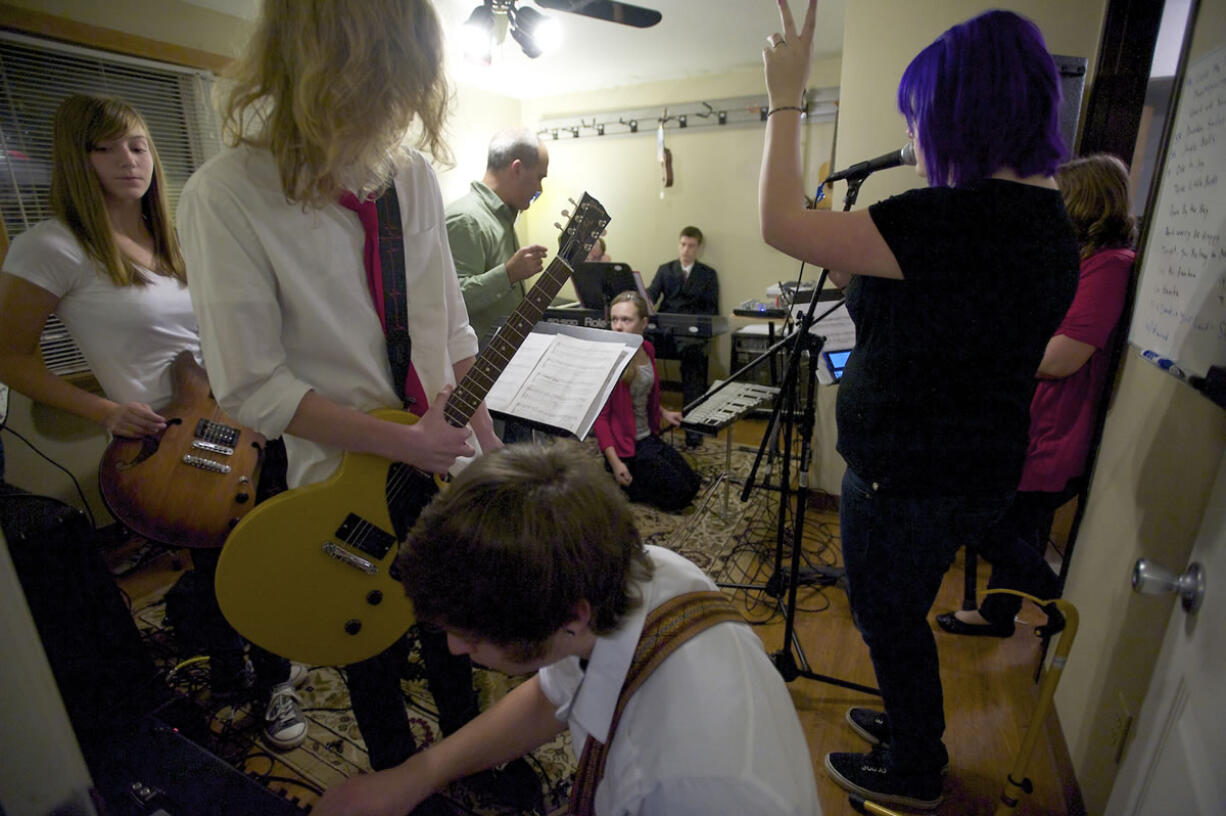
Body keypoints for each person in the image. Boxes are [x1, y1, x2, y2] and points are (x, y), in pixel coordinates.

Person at [760, 3, 1078, 810]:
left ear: (959, 113)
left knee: (888, 622)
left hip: (908, 476)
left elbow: (779, 223)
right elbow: (948, 320)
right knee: (898, 617)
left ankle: (915, 767)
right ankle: (911, 728)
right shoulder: (1047, 225)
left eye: (921, 115)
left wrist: (786, 97)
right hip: (974, 467)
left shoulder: (945, 220)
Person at [176, 0, 502, 773]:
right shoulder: (223, 197)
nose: (395, 109)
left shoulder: (411, 177)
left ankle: (475, 753)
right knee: (367, 637)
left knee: (453, 626)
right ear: (325, 71)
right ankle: (396, 771)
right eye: (380, 85)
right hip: (337, 473)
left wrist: (489, 453)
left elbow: (451, 335)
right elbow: (252, 388)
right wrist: (406, 440)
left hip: (440, 455)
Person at [0, 93, 304, 750]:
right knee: (219, 566)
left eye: (137, 144)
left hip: (250, 425)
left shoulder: (180, 238)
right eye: (104, 147)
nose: (128, 160)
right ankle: (233, 673)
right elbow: (9, 356)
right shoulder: (51, 246)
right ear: (75, 159)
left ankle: (276, 677)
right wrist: (105, 410)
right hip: (175, 448)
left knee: (267, 554)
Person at [314, 442, 820, 816]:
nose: (452, 647)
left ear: (571, 617)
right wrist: (414, 776)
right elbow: (554, 693)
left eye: (472, 634)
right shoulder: (648, 572)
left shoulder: (693, 785)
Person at [936, 153, 1135, 638]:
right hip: (1034, 421)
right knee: (1017, 526)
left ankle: (1056, 601)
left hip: (1055, 429)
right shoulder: (1082, 261)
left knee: (981, 520)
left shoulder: (1110, 266)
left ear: (1082, 202)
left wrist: (989, 345)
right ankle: (997, 615)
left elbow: (1061, 357)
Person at [594, 291, 701, 512]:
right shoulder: (610, 360)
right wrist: (616, 464)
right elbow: (601, 420)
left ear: (643, 323)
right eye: (614, 319)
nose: (618, 326)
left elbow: (644, 393)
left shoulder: (648, 349)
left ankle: (634, 484)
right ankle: (621, 482)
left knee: (693, 483)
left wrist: (663, 412)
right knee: (680, 496)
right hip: (625, 448)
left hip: (647, 437)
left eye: (626, 320)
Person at [446, 128, 550, 347]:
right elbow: (451, 302)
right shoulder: (467, 219)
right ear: (518, 169)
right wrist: (509, 274)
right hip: (477, 372)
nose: (540, 188)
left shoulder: (503, 218)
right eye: (539, 177)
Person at [646, 225, 719, 448]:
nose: (686, 250)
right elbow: (650, 297)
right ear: (679, 244)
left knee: (694, 361)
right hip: (665, 333)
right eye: (683, 244)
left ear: (698, 248)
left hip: (691, 336)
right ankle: (646, 422)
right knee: (641, 347)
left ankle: (692, 430)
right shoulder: (665, 270)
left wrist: (694, 326)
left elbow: (712, 310)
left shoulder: (708, 275)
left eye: (691, 246)